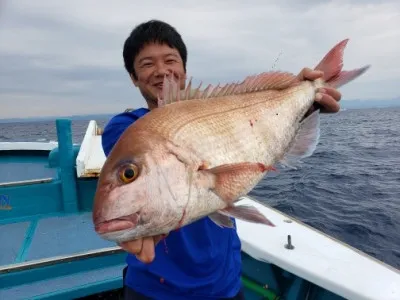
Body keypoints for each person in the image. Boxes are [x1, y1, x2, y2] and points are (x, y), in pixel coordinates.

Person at [101, 19, 342, 300]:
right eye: (146, 64)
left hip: (225, 283)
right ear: (133, 76)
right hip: (153, 291)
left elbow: (258, 142)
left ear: (184, 69)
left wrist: (304, 102)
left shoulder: (214, 110)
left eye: (170, 60)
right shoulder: (127, 131)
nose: (161, 71)